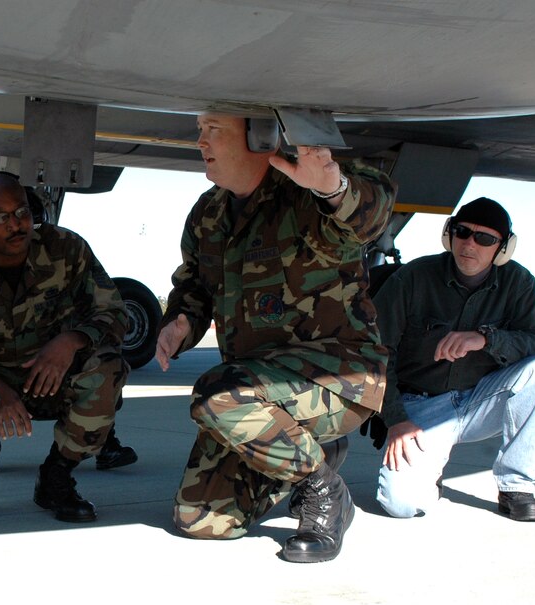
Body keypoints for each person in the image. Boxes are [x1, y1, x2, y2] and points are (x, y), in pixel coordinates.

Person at [158, 112, 396, 563]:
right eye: (200, 130)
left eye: (214, 129)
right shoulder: (209, 213)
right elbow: (195, 282)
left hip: (336, 378)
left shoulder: (308, 193)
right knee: (203, 520)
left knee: (218, 394)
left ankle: (323, 491)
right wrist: (182, 321)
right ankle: (309, 449)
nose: (200, 141)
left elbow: (372, 211)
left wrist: (333, 187)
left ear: (258, 136)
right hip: (257, 389)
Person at [0, 172, 131, 523]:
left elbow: (113, 311)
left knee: (107, 367)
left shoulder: (66, 248)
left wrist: (72, 340)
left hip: (52, 379)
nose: (16, 224)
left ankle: (57, 476)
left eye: (22, 212)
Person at [374, 197, 535, 520]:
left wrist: (487, 339)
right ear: (450, 235)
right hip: (421, 407)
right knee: (401, 504)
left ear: (503, 249)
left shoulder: (517, 284)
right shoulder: (413, 279)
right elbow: (375, 350)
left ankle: (516, 485)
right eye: (462, 232)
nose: (469, 244)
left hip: (483, 399)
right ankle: (427, 475)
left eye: (485, 239)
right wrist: (395, 418)